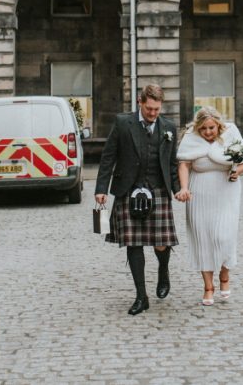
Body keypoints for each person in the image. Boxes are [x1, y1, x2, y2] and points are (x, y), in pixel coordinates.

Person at [95, 84, 183, 315]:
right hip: (128, 189)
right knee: (133, 244)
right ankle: (141, 296)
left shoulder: (169, 128)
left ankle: (163, 271)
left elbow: (172, 164)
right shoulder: (123, 123)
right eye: (149, 108)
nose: (153, 113)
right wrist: (101, 188)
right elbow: (108, 157)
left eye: (157, 109)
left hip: (158, 191)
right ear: (140, 102)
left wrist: (177, 189)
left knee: (161, 242)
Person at [175, 106, 243, 306]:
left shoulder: (231, 133)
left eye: (211, 128)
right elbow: (184, 164)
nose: (208, 133)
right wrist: (183, 187)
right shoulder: (190, 139)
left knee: (223, 236)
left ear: (218, 126)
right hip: (199, 192)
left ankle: (224, 275)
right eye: (203, 129)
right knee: (203, 239)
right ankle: (208, 287)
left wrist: (237, 172)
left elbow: (242, 161)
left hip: (226, 191)